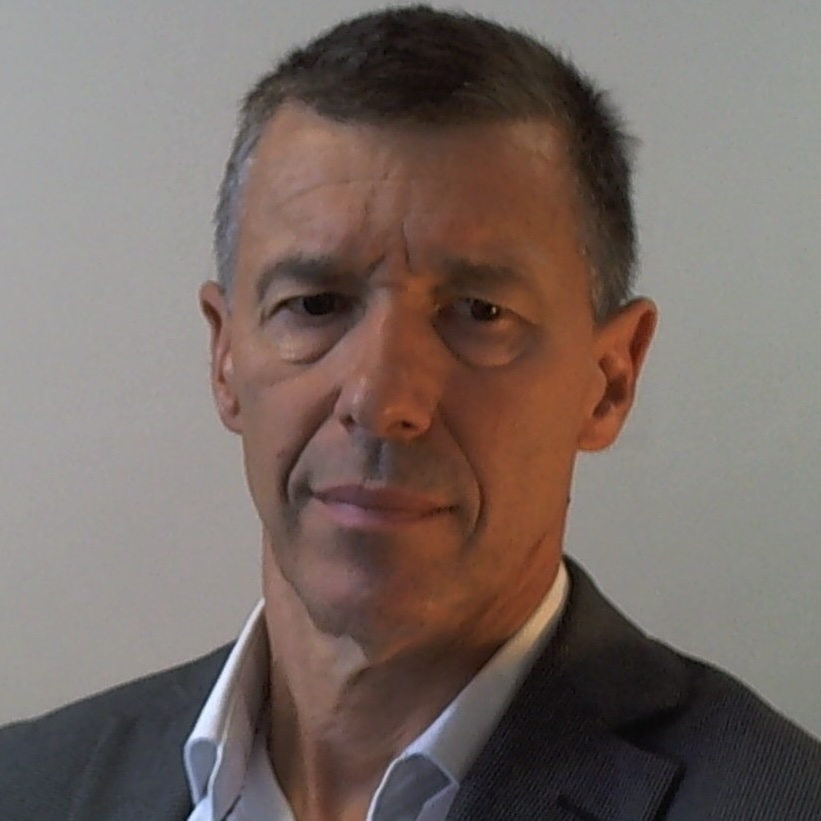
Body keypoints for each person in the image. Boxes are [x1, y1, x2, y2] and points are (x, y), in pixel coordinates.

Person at [1, 6, 819, 820]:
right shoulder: (28, 784)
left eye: (479, 313)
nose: (380, 400)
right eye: (315, 303)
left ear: (607, 380)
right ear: (224, 358)